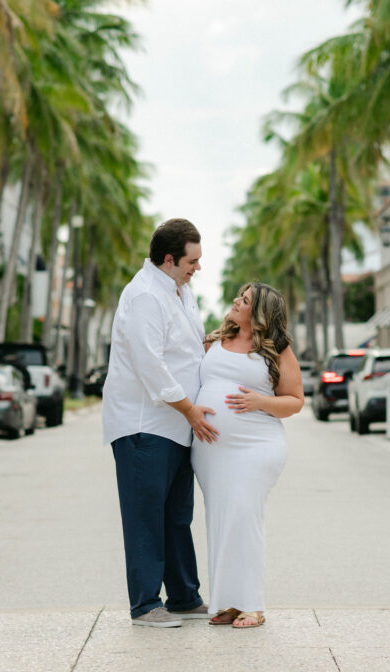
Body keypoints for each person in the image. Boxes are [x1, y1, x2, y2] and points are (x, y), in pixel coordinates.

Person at [101, 218, 219, 628]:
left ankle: (184, 597)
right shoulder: (145, 296)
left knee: (177, 515)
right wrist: (189, 409)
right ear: (169, 259)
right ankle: (146, 605)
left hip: (176, 427)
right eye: (192, 261)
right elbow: (149, 364)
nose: (198, 268)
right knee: (145, 517)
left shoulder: (181, 291)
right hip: (144, 426)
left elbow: (186, 350)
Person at [193, 283, 304, 629]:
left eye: (244, 300)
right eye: (239, 297)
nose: (236, 301)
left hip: (257, 445)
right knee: (221, 520)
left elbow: (295, 400)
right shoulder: (214, 341)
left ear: (260, 313)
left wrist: (261, 401)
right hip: (212, 450)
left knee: (244, 515)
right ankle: (228, 602)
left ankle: (252, 605)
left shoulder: (276, 349)